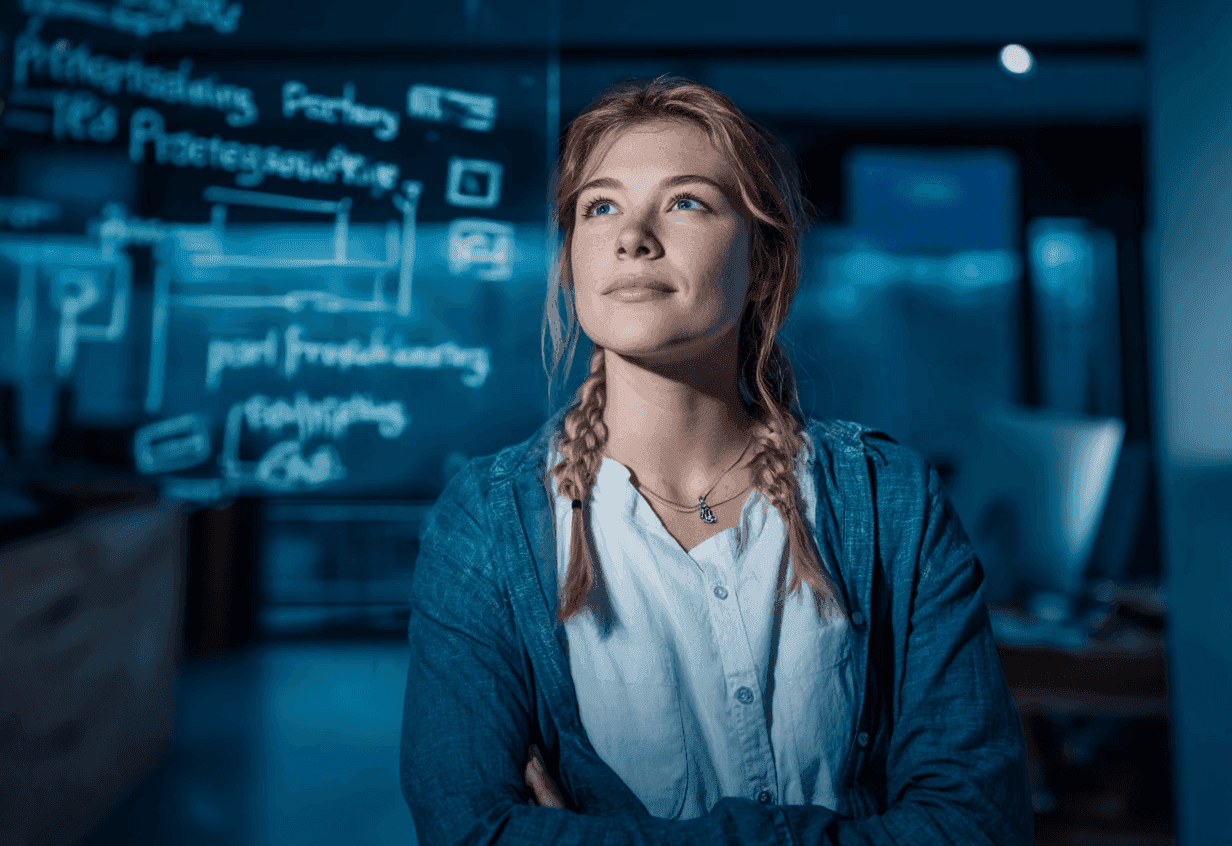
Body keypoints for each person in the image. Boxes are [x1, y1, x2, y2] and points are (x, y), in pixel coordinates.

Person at [400, 75, 1034, 845]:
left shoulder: (887, 498)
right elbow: (472, 831)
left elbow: (977, 825)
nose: (632, 235)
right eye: (599, 206)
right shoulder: (487, 524)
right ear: (571, 261)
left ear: (763, 263)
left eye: (685, 201)